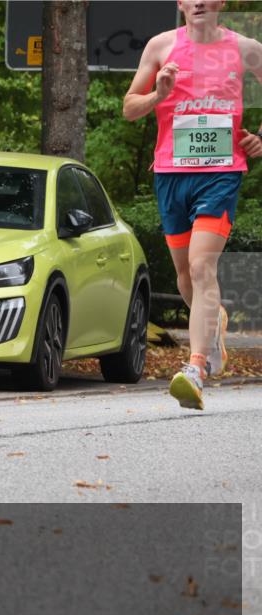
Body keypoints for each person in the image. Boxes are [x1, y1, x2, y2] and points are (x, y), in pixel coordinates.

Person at [123, 0, 262, 410]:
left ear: (221, 3)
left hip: (221, 174)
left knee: (203, 266)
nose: (199, 1)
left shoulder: (245, 47)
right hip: (170, 174)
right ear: (181, 3)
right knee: (186, 278)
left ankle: (195, 368)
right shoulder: (161, 46)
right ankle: (213, 317)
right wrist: (157, 94)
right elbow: (129, 108)